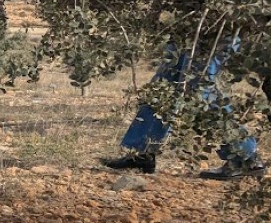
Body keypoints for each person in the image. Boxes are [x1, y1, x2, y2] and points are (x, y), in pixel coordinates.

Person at [102, 40, 265, 179]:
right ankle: (143, 152)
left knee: (199, 87)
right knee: (164, 83)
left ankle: (244, 157)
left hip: (213, 26)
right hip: (188, 26)